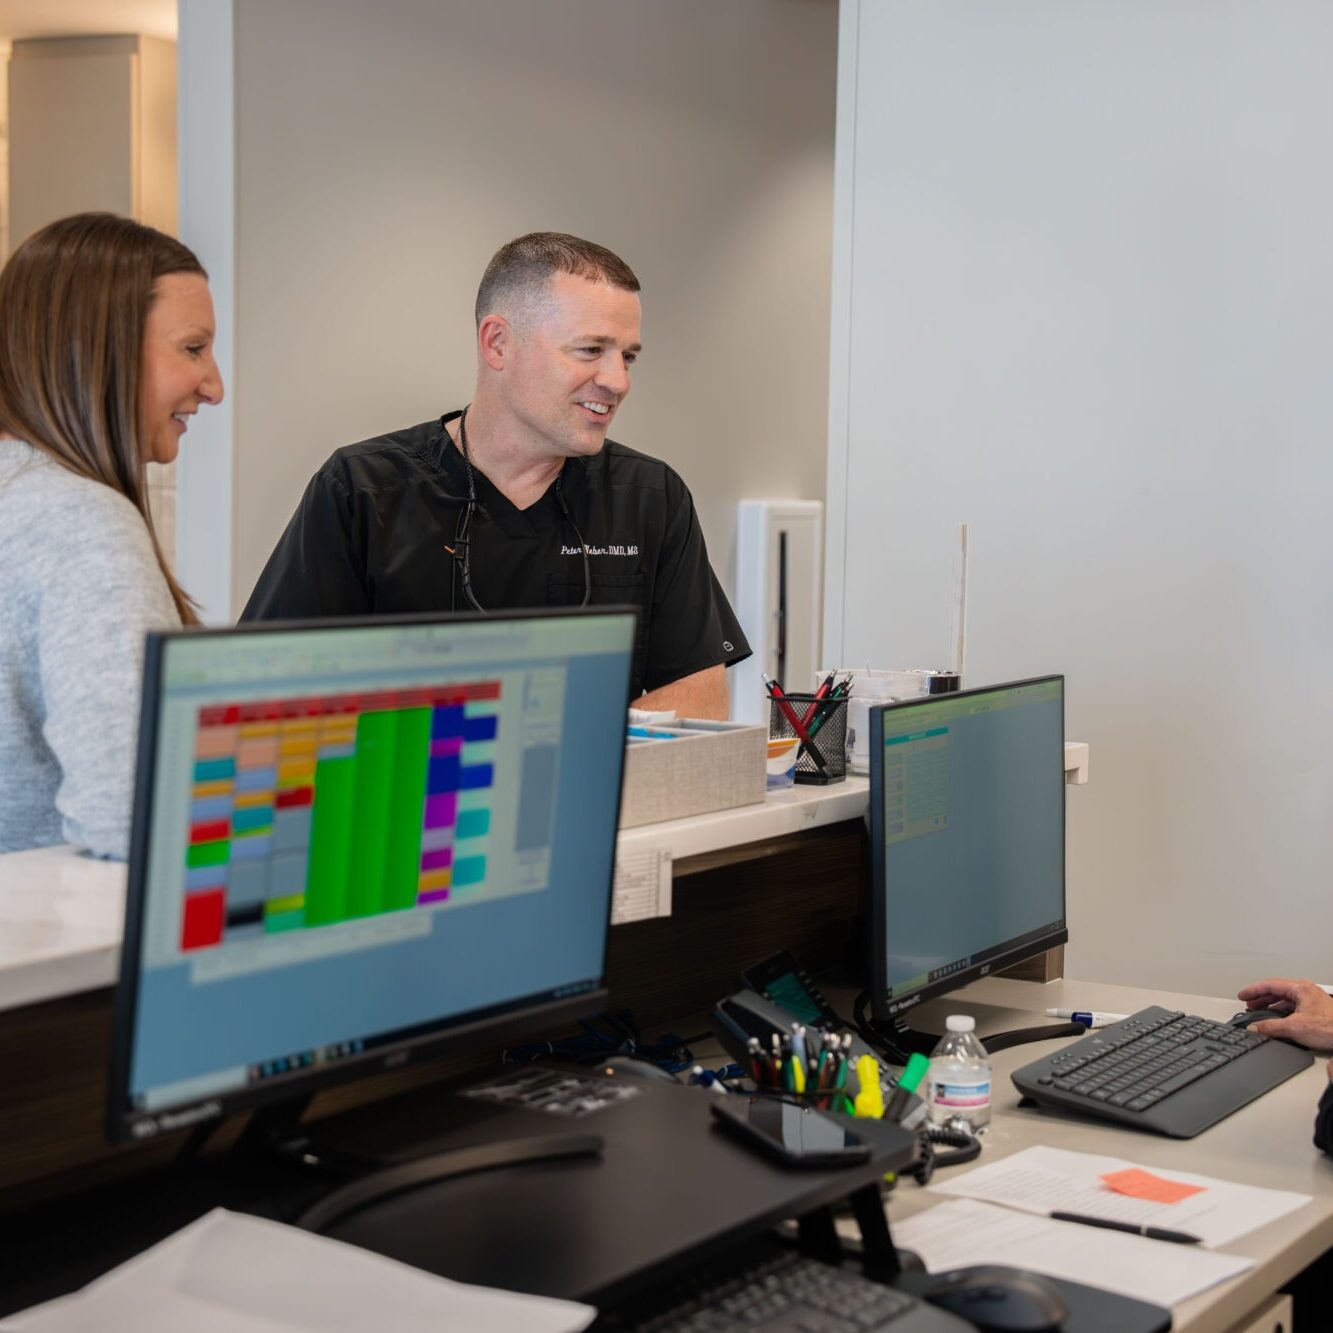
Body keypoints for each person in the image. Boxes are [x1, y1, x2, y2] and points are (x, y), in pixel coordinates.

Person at [241, 232, 750, 718]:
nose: (617, 380)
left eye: (628, 357)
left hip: (598, 806)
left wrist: (538, 749)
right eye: (591, 350)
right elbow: (271, 696)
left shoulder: (649, 497)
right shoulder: (363, 490)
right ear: (498, 343)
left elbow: (700, 700)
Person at [0, 213, 224, 858]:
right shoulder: (79, 522)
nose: (214, 385)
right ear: (100, 347)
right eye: (192, 348)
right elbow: (133, 817)